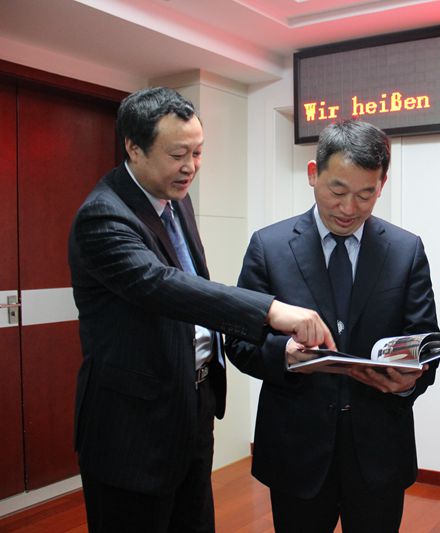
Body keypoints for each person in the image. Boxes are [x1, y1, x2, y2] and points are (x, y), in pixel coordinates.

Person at [68, 87, 334, 533]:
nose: (190, 166)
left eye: (198, 152)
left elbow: (192, 286)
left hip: (192, 406)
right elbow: (161, 285)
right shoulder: (103, 216)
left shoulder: (176, 200)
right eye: (178, 154)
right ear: (134, 148)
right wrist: (270, 310)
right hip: (132, 424)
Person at [225, 119, 439, 533]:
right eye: (337, 191)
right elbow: (238, 340)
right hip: (296, 449)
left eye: (365, 194)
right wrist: (284, 355)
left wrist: (408, 382)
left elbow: (424, 341)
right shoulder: (269, 246)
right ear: (313, 174)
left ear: (382, 185)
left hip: (378, 448)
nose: (349, 209)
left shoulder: (405, 249)